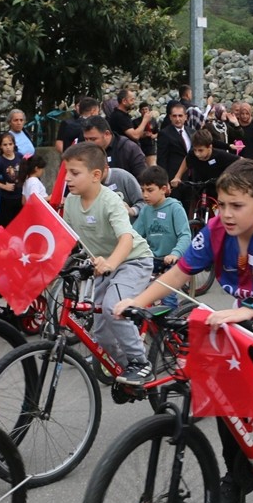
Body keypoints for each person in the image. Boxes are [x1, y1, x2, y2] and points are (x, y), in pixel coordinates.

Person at [114, 159, 253, 503]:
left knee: (252, 329)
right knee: (228, 390)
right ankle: (238, 479)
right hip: (248, 306)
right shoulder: (214, 230)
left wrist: (250, 310)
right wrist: (138, 301)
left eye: (236, 206)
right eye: (221, 204)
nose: (226, 214)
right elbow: (179, 273)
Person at [61, 142, 155, 384]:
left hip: (132, 260)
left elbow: (125, 238)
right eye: (66, 172)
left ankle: (140, 362)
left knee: (115, 308)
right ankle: (127, 373)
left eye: (74, 173)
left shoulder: (110, 200)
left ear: (95, 175)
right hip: (102, 265)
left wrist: (111, 263)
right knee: (100, 333)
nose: (67, 178)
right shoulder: (71, 201)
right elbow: (67, 239)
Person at [133, 166, 191, 305]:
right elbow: (135, 235)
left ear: (163, 189)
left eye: (150, 190)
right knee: (135, 286)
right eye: (143, 190)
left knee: (168, 297)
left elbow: (185, 235)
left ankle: (167, 322)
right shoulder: (146, 211)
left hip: (173, 259)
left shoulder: (174, 208)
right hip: (154, 258)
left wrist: (175, 254)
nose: (145, 195)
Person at [172, 129, 239, 198]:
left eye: (201, 150)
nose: (197, 154)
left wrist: (231, 178)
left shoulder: (220, 155)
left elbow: (241, 161)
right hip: (199, 189)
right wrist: (177, 176)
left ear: (210, 147)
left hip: (218, 190)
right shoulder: (192, 154)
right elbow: (187, 160)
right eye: (195, 150)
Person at [82, 115, 147, 178]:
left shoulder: (128, 149)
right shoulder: (85, 152)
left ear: (107, 134)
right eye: (86, 139)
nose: (88, 143)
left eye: (93, 139)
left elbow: (142, 178)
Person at [0, 132, 24, 226]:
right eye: (5, 145)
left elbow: (26, 170)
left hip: (20, 196)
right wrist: (4, 186)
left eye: (10, 144)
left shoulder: (19, 156)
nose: (8, 147)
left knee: (20, 224)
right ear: (0, 146)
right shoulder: (0, 161)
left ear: (14, 145)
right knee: (7, 224)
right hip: (7, 198)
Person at [157, 102, 192, 187]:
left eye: (180, 116)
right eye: (174, 116)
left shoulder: (191, 132)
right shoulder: (164, 133)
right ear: (170, 117)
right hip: (173, 178)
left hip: (192, 178)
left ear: (185, 117)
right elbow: (161, 159)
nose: (177, 119)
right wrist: (164, 182)